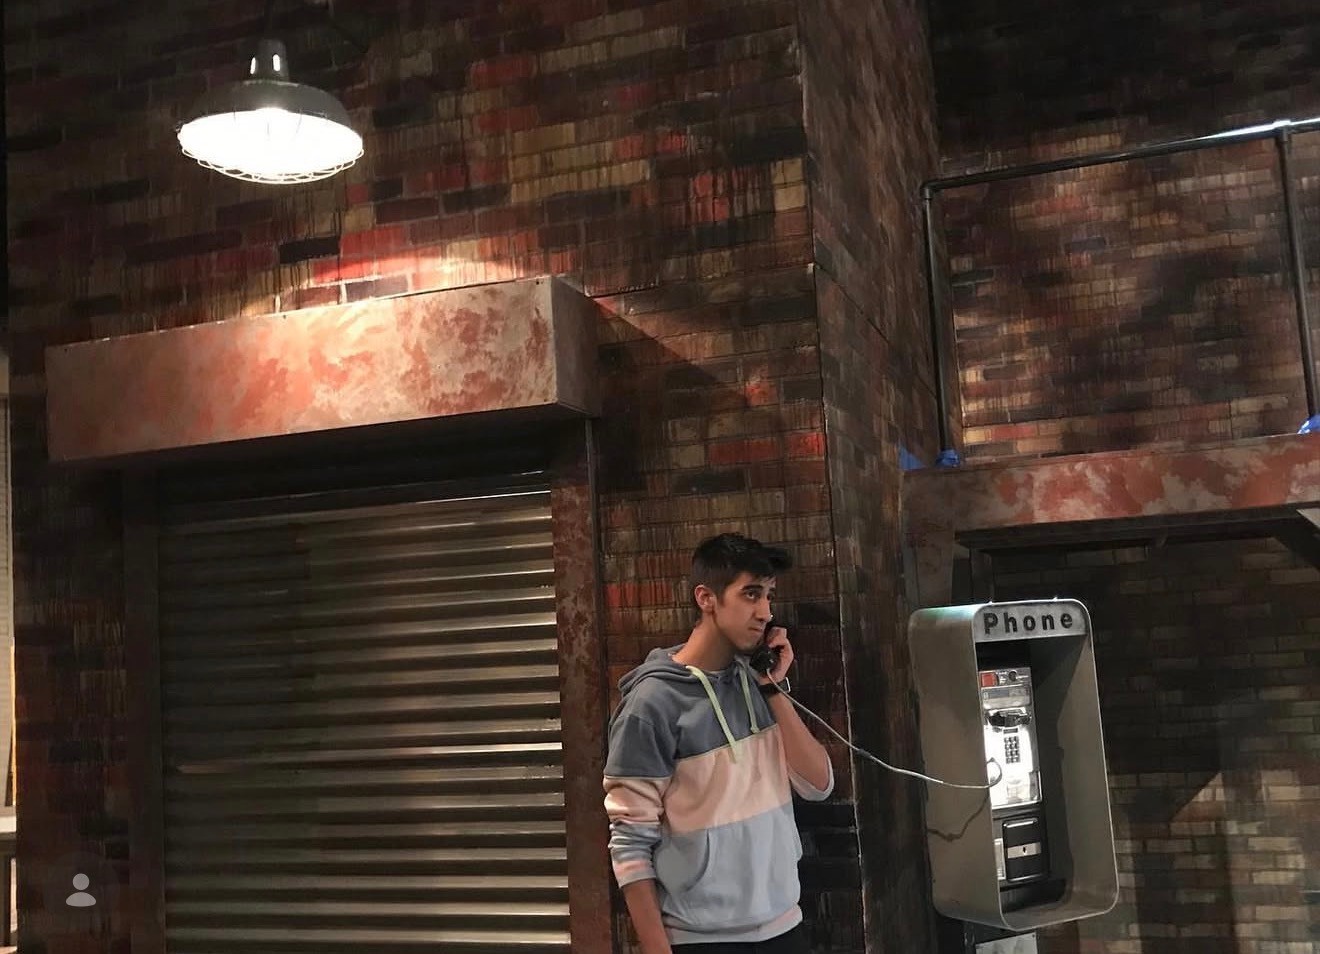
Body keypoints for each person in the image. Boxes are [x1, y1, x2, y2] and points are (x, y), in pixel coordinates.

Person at [603, 532, 834, 953]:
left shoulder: (756, 683)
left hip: (784, 925)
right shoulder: (651, 704)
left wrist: (772, 688)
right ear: (707, 598)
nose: (764, 612)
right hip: (703, 940)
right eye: (750, 594)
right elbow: (630, 843)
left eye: (767, 595)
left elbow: (818, 785)